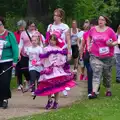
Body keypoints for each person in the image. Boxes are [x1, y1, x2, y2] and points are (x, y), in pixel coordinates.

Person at [34, 31, 75, 109]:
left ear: (56, 41)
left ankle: (56, 101)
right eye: (50, 40)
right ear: (49, 40)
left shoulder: (60, 49)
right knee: (49, 86)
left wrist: (61, 63)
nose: (52, 41)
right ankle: (49, 100)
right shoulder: (46, 49)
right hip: (48, 70)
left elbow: (63, 60)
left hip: (57, 70)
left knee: (57, 86)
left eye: (53, 40)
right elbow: (43, 59)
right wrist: (37, 63)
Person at [88, 15, 117, 99]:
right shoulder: (93, 29)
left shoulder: (110, 31)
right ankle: (94, 92)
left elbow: (116, 41)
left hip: (108, 57)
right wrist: (88, 45)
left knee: (107, 75)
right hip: (95, 55)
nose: (100, 21)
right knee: (96, 72)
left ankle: (108, 89)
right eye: (99, 19)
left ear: (105, 21)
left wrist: (111, 44)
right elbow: (89, 37)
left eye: (102, 20)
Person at [45, 8, 71, 96]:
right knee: (51, 70)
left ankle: (63, 85)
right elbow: (47, 39)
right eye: (54, 15)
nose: (55, 17)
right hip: (51, 51)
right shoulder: (50, 27)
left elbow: (68, 40)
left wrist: (69, 52)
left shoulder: (65, 27)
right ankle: (53, 88)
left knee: (61, 69)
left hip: (61, 51)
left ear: (61, 17)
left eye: (57, 15)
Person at [0, 16, 19, 109]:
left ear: (2, 24)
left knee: (5, 80)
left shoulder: (9, 34)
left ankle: (5, 99)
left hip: (7, 61)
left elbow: (15, 48)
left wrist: (15, 60)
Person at [19, 20, 38, 89]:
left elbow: (40, 43)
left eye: (34, 26)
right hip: (25, 54)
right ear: (28, 26)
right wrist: (19, 53)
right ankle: (29, 79)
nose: (32, 27)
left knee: (33, 69)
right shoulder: (23, 33)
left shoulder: (37, 33)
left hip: (34, 55)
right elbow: (20, 44)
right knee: (24, 69)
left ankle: (33, 82)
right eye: (31, 26)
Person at [14, 20, 26, 90]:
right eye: (20, 27)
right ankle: (20, 84)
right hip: (17, 53)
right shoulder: (15, 34)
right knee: (18, 69)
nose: (21, 28)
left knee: (25, 69)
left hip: (25, 53)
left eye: (22, 27)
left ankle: (28, 81)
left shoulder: (26, 33)